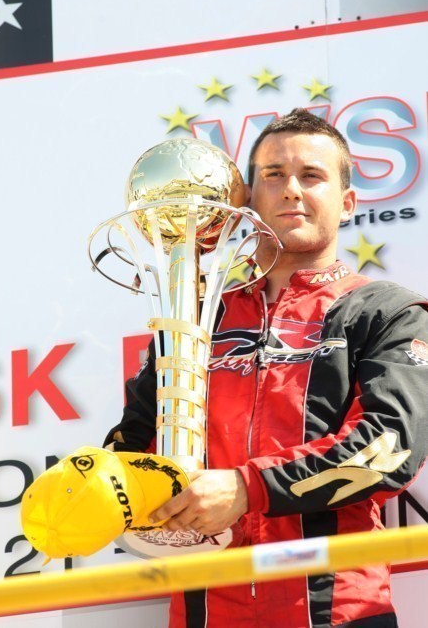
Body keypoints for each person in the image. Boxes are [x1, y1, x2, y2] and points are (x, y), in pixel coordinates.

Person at [104, 109, 428, 628]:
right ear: (248, 200)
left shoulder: (387, 311)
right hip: (204, 613)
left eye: (312, 175)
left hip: (339, 613)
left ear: (347, 203)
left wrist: (246, 489)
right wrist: (101, 483)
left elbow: (389, 448)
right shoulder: (194, 317)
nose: (291, 190)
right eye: (274, 175)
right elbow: (136, 438)